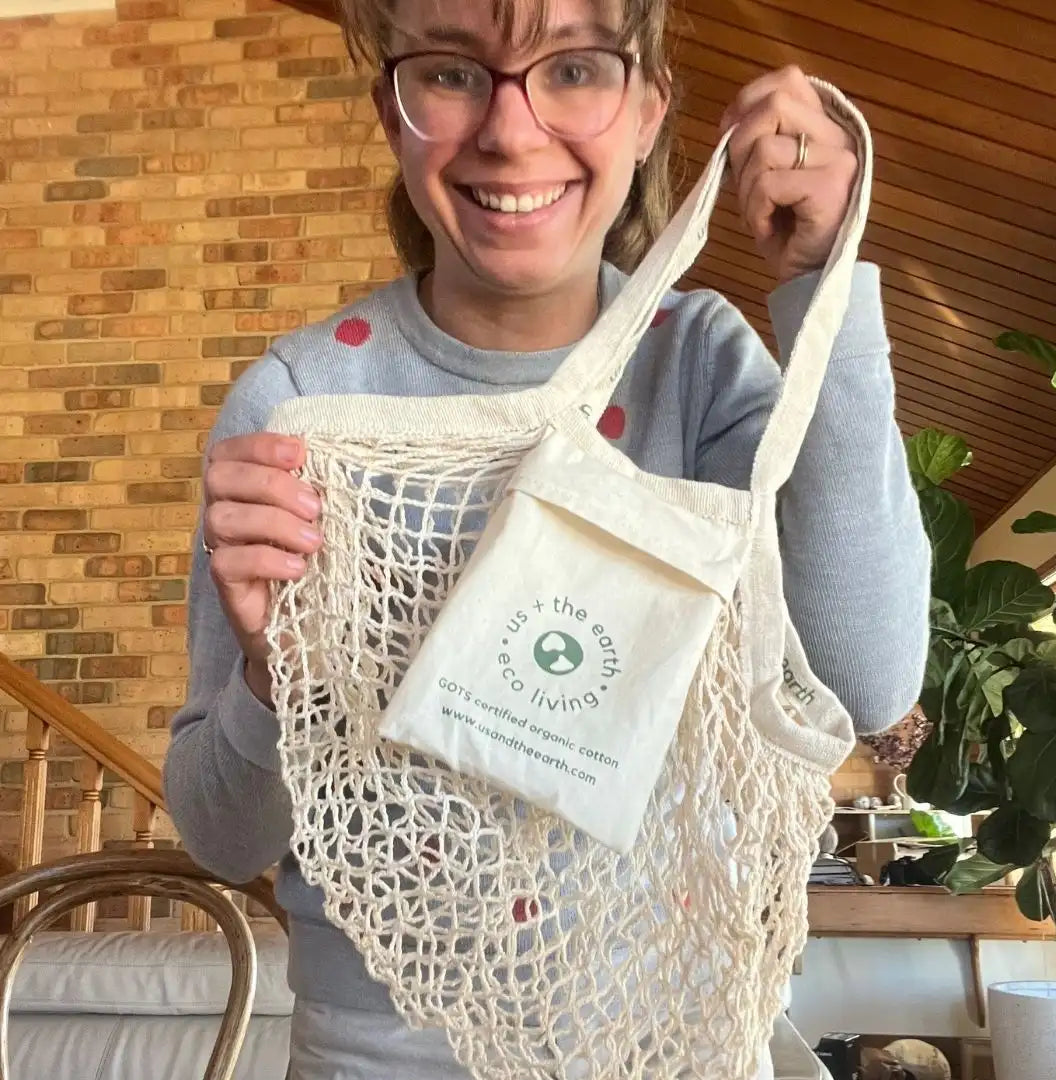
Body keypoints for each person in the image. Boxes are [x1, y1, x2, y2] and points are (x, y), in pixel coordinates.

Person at [164, 0, 931, 1075]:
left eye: (573, 69)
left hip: (676, 1044)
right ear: (394, 109)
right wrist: (264, 674)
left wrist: (826, 292)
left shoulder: (701, 366)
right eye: (451, 72)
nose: (511, 133)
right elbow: (222, 836)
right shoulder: (301, 405)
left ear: (649, 111)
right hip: (383, 1053)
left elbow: (867, 675)